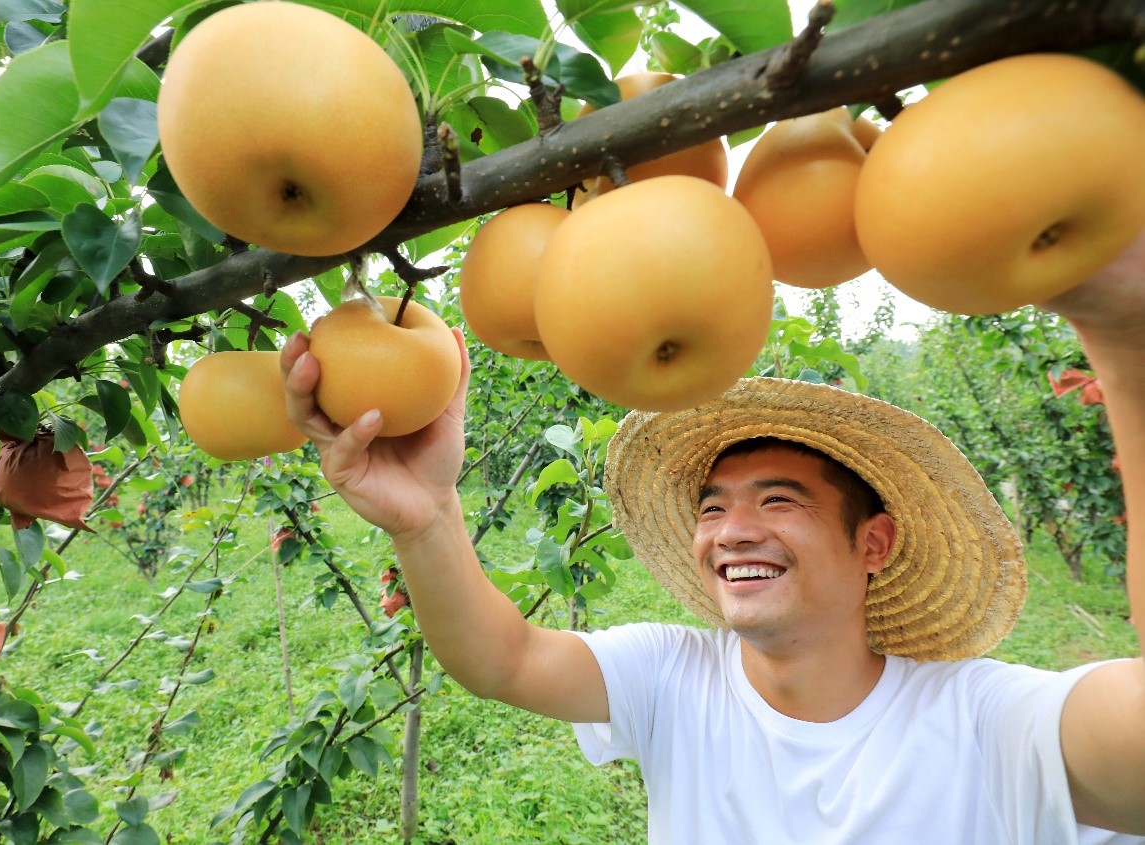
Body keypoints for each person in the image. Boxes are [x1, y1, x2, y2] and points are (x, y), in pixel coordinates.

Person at [279, 231, 1145, 843]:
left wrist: (1125, 339)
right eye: (712, 506)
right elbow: (500, 657)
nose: (733, 531)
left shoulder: (987, 724)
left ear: (873, 543)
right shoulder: (676, 680)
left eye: (780, 500)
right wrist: (429, 515)